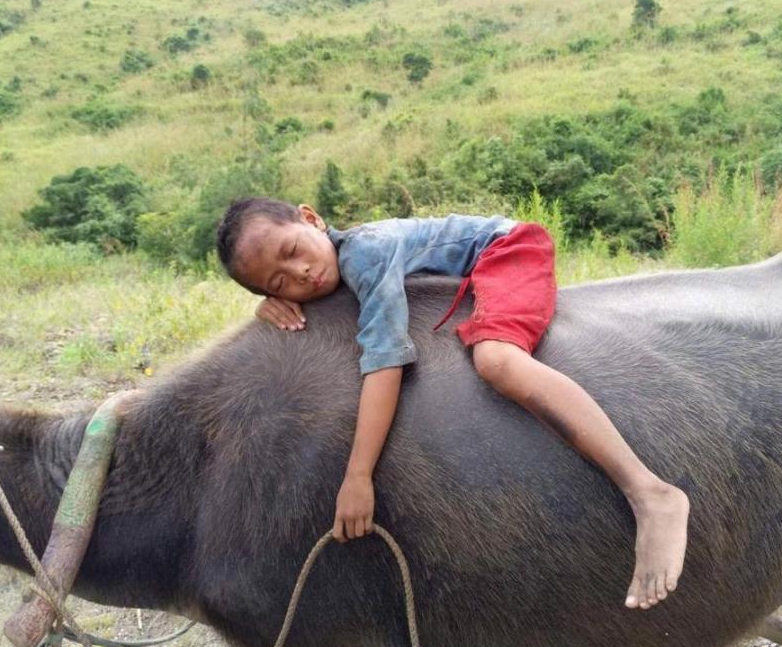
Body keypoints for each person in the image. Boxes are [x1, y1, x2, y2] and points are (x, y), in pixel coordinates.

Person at [215, 196, 689, 610]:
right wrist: (266, 305)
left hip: (506, 250)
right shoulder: (331, 263)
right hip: (478, 266)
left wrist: (357, 476)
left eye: (293, 252)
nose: (300, 274)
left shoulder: (367, 253)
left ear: (312, 218)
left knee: (498, 361)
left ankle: (650, 492)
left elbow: (385, 361)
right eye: (279, 284)